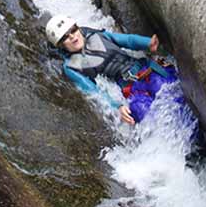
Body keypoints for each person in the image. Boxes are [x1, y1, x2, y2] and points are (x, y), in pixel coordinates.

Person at [46, 15, 197, 128]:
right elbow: (93, 90)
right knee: (143, 114)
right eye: (66, 37)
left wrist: (147, 43)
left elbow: (127, 41)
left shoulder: (97, 35)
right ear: (60, 45)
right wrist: (117, 106)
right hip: (130, 89)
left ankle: (200, 138)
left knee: (168, 92)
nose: (72, 36)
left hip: (148, 71)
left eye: (73, 30)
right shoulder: (71, 67)